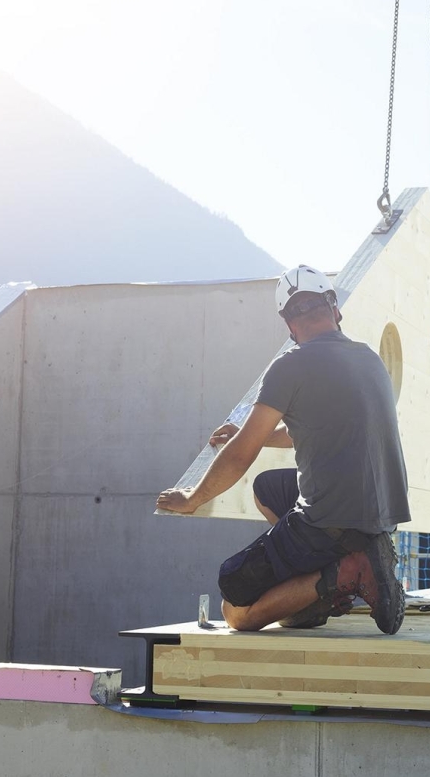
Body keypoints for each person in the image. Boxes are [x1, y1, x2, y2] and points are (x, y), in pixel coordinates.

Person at [156, 265, 411, 633]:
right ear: (334, 309)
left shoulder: (291, 365)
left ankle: (345, 573)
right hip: (382, 519)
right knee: (267, 490)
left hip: (330, 518)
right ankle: (325, 581)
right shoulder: (369, 358)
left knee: (236, 608)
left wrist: (192, 498)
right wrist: (250, 432)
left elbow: (242, 453)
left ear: (289, 325)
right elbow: (304, 429)